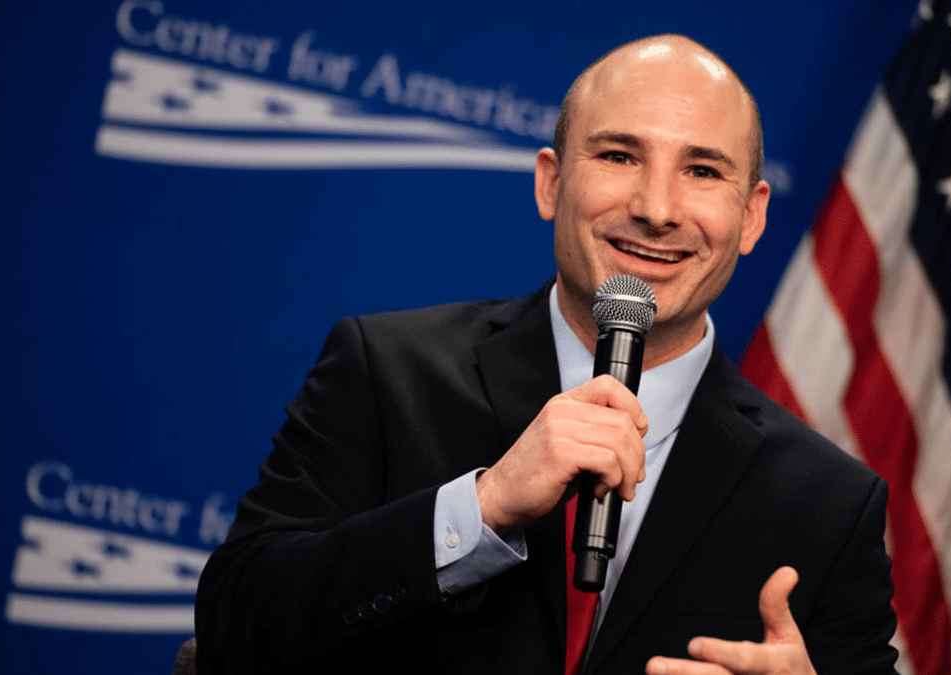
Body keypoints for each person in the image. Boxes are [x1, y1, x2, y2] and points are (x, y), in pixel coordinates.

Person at [195, 34, 898, 675]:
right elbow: (234, 627)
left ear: (751, 217)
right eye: (620, 156)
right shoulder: (384, 372)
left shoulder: (831, 502)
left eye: (703, 171)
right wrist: (485, 504)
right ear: (550, 183)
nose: (657, 207)